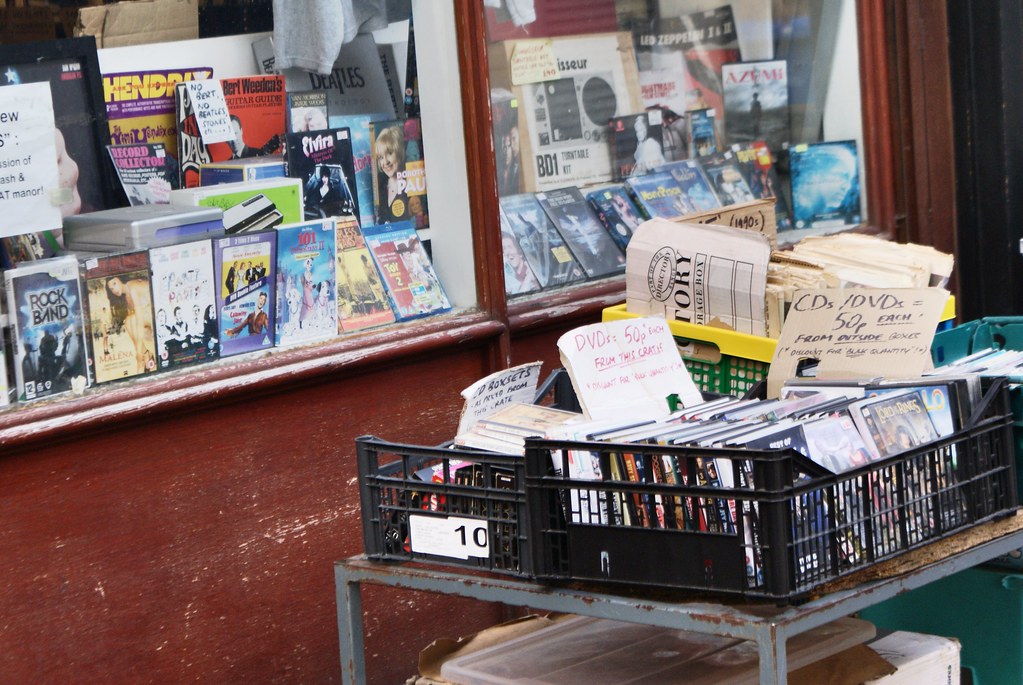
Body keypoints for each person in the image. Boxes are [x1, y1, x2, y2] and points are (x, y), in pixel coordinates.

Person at [106, 274, 155, 373]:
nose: (114, 289)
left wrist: (137, 351)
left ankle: (142, 356)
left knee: (131, 320)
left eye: (115, 284)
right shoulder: (127, 295)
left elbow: (140, 320)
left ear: (120, 279)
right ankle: (145, 355)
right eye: (111, 289)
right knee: (129, 321)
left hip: (158, 313)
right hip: (150, 316)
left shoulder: (132, 287)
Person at [374, 124, 409, 222]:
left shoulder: (411, 183)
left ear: (399, 152)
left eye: (389, 153)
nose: (385, 162)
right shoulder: (380, 182)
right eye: (381, 157)